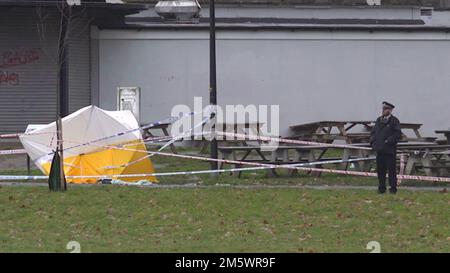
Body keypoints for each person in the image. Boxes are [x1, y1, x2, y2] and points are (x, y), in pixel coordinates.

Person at [370, 101, 402, 194]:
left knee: (391, 170)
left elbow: (397, 134)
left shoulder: (394, 121)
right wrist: (373, 142)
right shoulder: (379, 120)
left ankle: (393, 188)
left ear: (390, 110)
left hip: (389, 150)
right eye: (383, 109)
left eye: (386, 109)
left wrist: (388, 141)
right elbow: (374, 132)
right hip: (380, 149)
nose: (384, 110)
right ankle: (381, 188)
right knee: (380, 170)